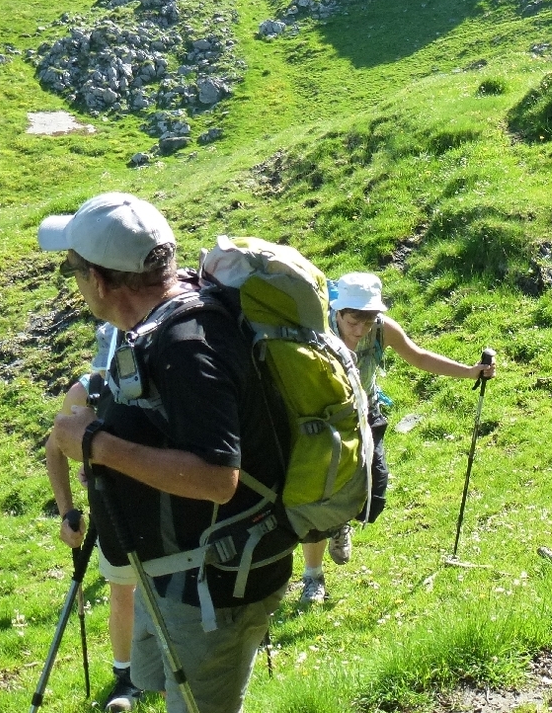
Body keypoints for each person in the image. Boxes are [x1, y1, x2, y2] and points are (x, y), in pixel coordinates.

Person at [43, 192, 291, 713]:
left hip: (215, 587)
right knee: (159, 688)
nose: (75, 283)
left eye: (73, 270)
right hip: (172, 572)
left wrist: (95, 444)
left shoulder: (188, 345)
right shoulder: (157, 325)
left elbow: (217, 477)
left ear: (101, 280)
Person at [297, 271, 496, 606]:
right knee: (321, 501)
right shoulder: (317, 329)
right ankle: (312, 577)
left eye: (367, 321)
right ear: (339, 311)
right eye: (353, 321)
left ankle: (341, 523)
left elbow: (418, 356)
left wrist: (469, 371)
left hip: (367, 414)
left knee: (374, 495)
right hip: (326, 420)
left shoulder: (382, 329)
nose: (359, 330)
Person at [45, 322, 142, 712]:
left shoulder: (159, 376)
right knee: (122, 590)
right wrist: (67, 510)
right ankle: (126, 678)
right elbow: (54, 446)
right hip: (110, 507)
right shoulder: (86, 392)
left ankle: (168, 671)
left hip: (164, 505)